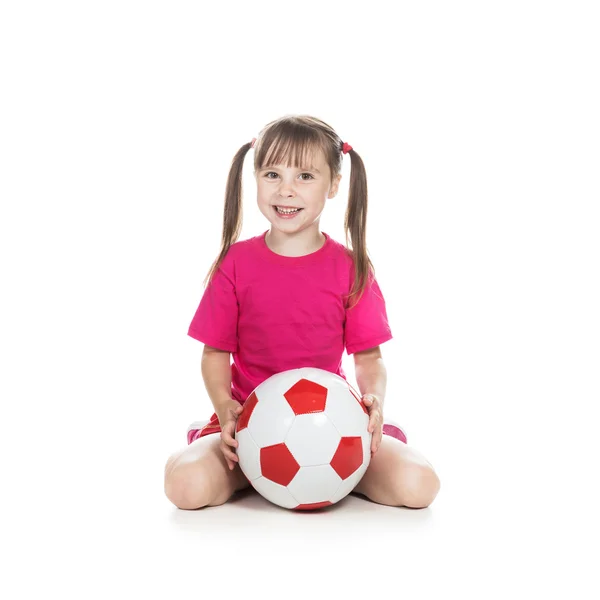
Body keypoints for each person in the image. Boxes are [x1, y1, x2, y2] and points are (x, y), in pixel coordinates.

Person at [164, 114, 441, 510]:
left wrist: (373, 398)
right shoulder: (236, 263)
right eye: (272, 174)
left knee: (420, 485)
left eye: (305, 177)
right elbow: (214, 354)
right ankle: (213, 445)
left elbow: (369, 358)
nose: (286, 190)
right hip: (247, 429)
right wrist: (226, 409)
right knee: (185, 487)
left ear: (333, 185)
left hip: (332, 427)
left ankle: (340, 468)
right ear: (255, 177)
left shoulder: (351, 267)